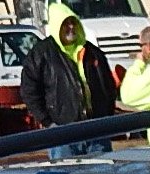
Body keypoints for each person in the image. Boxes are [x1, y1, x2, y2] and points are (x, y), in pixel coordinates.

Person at [21, 2, 120, 160]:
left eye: (73, 22)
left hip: (96, 132)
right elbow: (29, 92)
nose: (71, 27)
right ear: (56, 26)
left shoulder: (93, 53)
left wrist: (106, 118)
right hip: (62, 135)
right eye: (65, 24)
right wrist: (48, 122)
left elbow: (109, 88)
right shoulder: (41, 54)